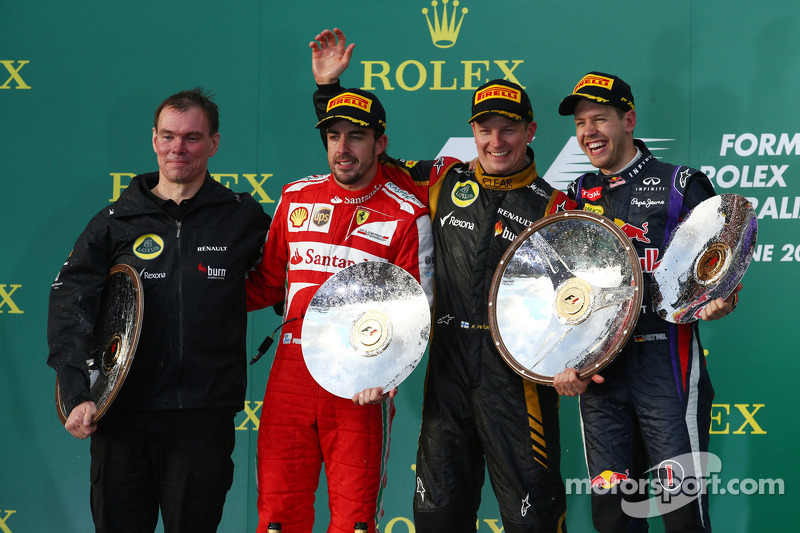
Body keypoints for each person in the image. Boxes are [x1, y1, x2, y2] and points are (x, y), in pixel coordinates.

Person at [310, 28, 575, 533]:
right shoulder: (443, 179)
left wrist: (576, 362)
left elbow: (580, 304)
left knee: (534, 520)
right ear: (472, 131)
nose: (496, 141)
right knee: (436, 517)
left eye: (509, 129)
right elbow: (363, 160)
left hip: (517, 380)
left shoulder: (554, 207)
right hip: (448, 369)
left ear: (531, 131)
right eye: (485, 129)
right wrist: (329, 90)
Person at [47, 88, 271, 532]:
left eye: (191, 137)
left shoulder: (241, 217)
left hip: (202, 418)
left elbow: (291, 281)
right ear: (153, 139)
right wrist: (76, 392)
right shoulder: (114, 220)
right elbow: (70, 301)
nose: (178, 148)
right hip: (122, 415)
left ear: (214, 143)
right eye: (168, 136)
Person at [553, 72, 741, 532]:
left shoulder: (681, 184)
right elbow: (559, 294)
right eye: (580, 123)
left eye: (599, 119)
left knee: (683, 517)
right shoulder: (575, 196)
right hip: (600, 377)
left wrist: (720, 300)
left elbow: (721, 268)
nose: (588, 132)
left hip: (667, 368)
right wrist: (563, 359)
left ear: (629, 119)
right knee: (612, 516)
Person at [245, 83, 434, 532]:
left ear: (380, 144)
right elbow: (267, 283)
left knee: (353, 523)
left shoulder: (408, 214)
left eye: (356, 136)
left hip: (359, 383)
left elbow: (416, 315)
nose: (343, 148)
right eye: (334, 136)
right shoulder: (295, 197)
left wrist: (381, 373)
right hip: (291, 371)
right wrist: (194, 288)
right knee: (277, 517)